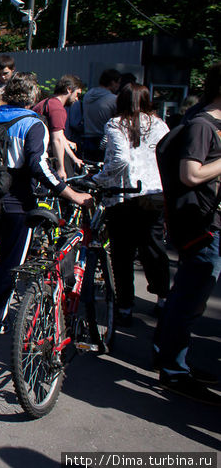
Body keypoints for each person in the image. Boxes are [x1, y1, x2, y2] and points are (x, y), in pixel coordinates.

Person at [0, 72, 92, 336]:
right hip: (17, 201)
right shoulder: (34, 124)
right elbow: (38, 165)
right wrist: (68, 192)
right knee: (8, 262)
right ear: (33, 96)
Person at [153, 63, 221, 406]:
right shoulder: (202, 125)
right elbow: (190, 174)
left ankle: (174, 362)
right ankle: (173, 370)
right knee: (188, 301)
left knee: (189, 298)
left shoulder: (209, 124)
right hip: (203, 228)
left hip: (208, 225)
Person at [92, 84, 169, 327]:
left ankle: (125, 306)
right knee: (153, 250)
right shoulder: (159, 125)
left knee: (122, 255)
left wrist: (99, 179)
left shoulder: (116, 124)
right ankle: (163, 298)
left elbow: (120, 159)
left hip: (124, 195)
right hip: (154, 193)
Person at [32, 75, 84, 180]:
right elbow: (57, 140)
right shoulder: (57, 108)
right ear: (69, 89)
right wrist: (61, 169)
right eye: (77, 94)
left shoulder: (48, 102)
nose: (77, 99)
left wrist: (74, 158)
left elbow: (60, 137)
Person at [80, 68, 122, 162]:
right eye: (118, 83)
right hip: (104, 140)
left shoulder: (88, 95)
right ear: (112, 82)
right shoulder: (113, 99)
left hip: (87, 138)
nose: (119, 86)